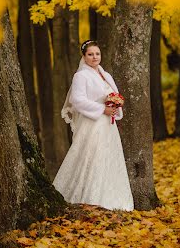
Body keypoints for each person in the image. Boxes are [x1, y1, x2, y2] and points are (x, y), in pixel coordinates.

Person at [53, 39, 134, 211]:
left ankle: (111, 199)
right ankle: (88, 197)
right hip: (92, 124)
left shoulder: (106, 75)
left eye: (97, 53)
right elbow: (77, 100)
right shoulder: (81, 76)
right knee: (91, 157)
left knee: (107, 158)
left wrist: (114, 106)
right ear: (84, 56)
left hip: (108, 126)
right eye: (90, 54)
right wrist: (101, 109)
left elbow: (114, 95)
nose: (94, 57)